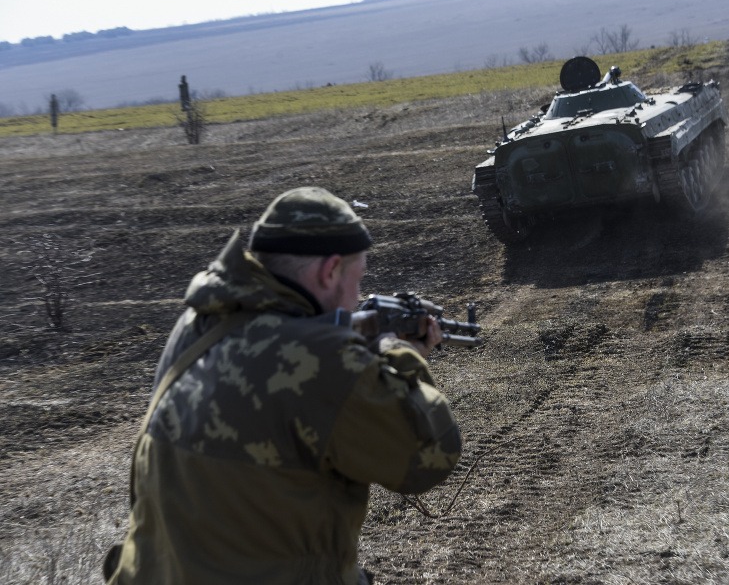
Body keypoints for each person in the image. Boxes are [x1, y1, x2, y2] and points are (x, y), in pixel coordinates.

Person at [105, 187, 462, 584]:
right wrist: (400, 353)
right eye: (357, 279)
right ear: (330, 271)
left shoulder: (199, 323)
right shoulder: (319, 356)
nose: (357, 297)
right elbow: (429, 458)